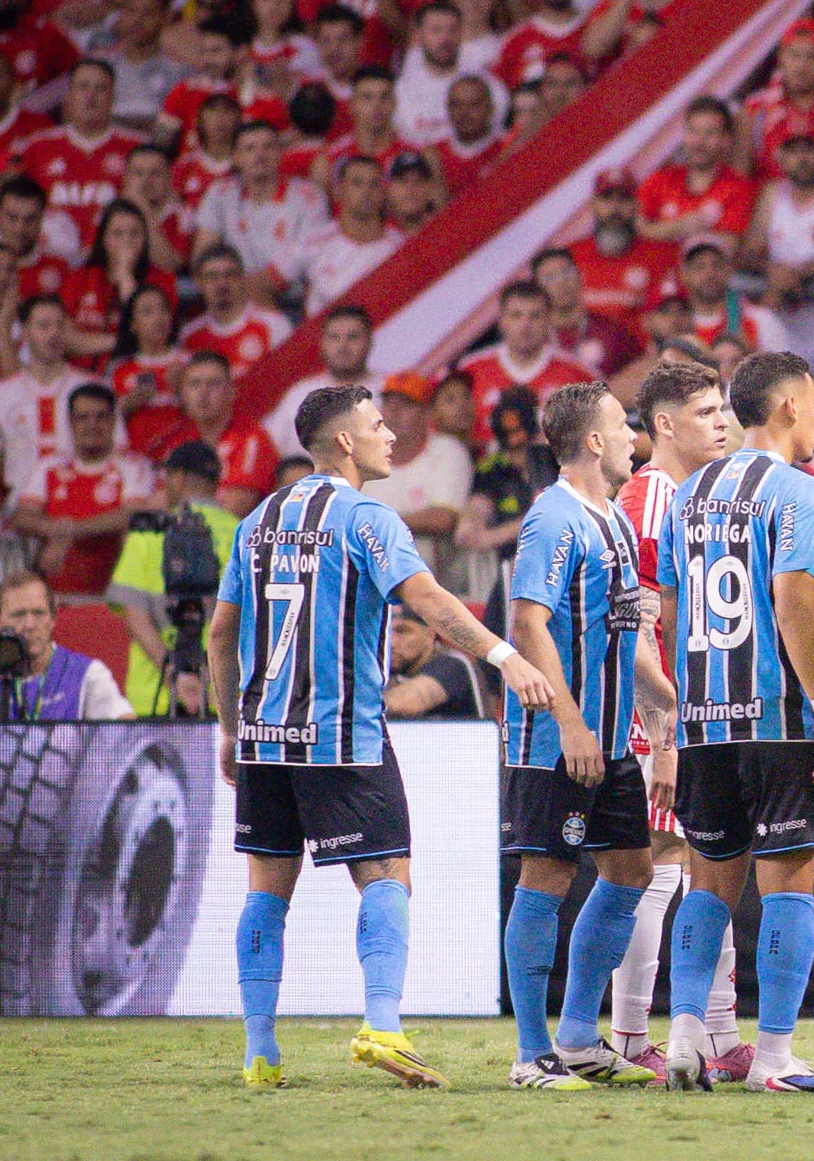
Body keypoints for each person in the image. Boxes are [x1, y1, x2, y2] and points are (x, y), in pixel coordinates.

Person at [206, 382, 554, 1090]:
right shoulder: (368, 518)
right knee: (387, 874)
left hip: (266, 736)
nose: (390, 435)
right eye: (376, 424)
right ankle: (384, 1027)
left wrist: (231, 727)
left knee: (267, 891)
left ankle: (260, 1052)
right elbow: (427, 601)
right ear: (343, 441)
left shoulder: (257, 521)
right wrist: (504, 657)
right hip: (342, 734)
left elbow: (220, 634)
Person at [653, 351, 814, 1092]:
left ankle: (685, 1036)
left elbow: (670, 606)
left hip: (705, 718)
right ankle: (773, 1057)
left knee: (707, 883)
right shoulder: (799, 492)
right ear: (791, 405)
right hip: (778, 719)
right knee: (788, 887)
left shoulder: (689, 494)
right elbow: (795, 594)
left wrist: (687, 700)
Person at [498, 381, 679, 1091]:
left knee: (631, 870)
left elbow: (627, 631)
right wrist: (570, 722)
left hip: (611, 741)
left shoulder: (615, 520)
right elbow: (527, 622)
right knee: (545, 878)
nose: (634, 434)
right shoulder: (553, 519)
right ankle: (530, 1052)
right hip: (555, 741)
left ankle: (577, 1036)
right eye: (621, 423)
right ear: (594, 442)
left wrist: (665, 706)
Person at [607, 357, 743, 1075]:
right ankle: (632, 1037)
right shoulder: (655, 497)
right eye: (704, 413)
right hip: (653, 709)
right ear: (663, 424)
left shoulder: (677, 493)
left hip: (679, 706)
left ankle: (714, 1032)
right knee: (662, 864)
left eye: (723, 411)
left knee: (691, 863)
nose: (721, 424)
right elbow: (640, 623)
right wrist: (665, 736)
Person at [109, 441, 241, 717]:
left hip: (155, 695)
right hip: (225, 696)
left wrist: (173, 674)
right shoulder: (244, 533)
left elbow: (135, 616)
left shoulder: (151, 531)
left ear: (177, 477)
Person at [0, 572, 134, 721]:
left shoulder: (87, 674)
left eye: (38, 613)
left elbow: (129, 732)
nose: (29, 624)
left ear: (52, 619)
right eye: (19, 615)